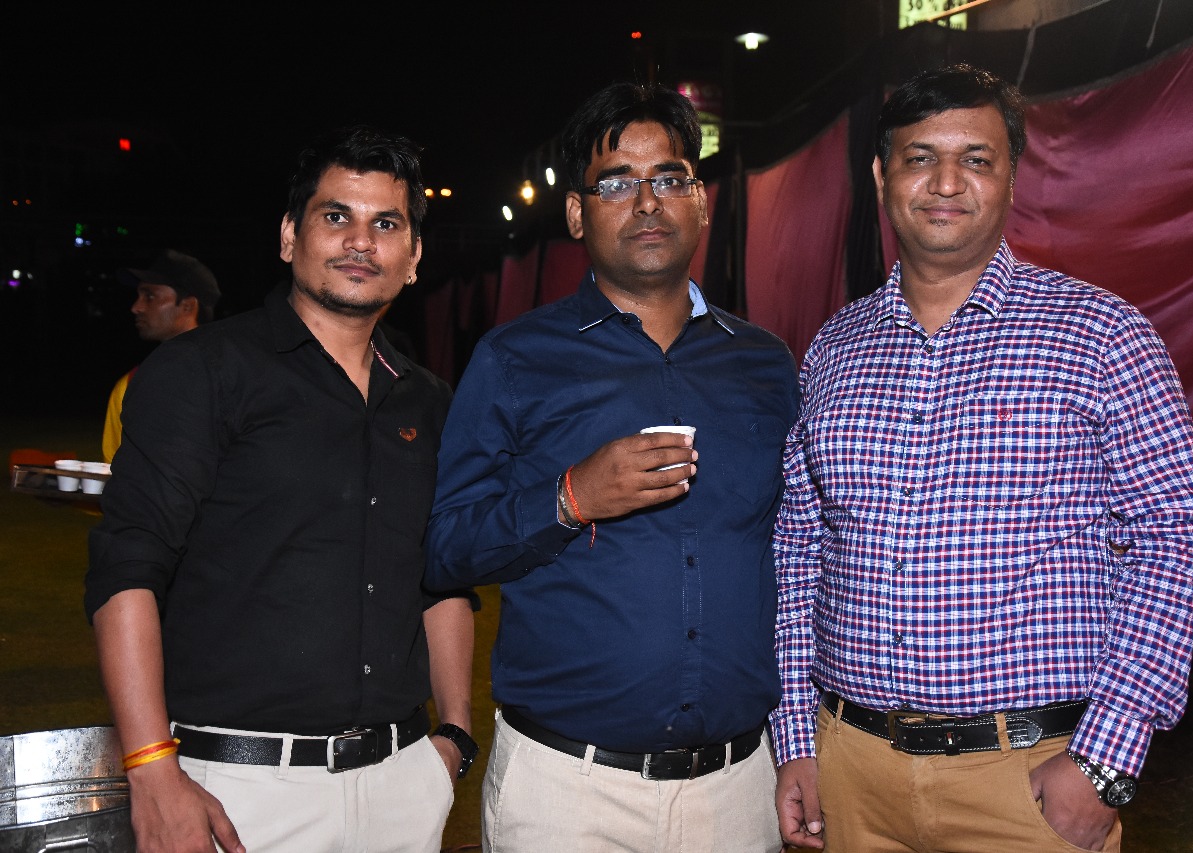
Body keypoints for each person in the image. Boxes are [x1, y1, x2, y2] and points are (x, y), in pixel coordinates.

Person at [770, 63, 1193, 853]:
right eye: (920, 157)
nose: (946, 182)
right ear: (881, 176)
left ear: (1012, 177)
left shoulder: (1100, 336)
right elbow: (797, 548)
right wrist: (795, 740)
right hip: (851, 773)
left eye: (976, 159)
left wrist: (1106, 762)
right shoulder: (834, 347)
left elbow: (1178, 539)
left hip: (1028, 783)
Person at [426, 82, 799, 853]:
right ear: (575, 213)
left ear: (701, 200)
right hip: (567, 792)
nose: (648, 202)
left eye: (669, 178)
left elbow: (800, 548)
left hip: (737, 787)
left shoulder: (765, 364)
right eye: (617, 183)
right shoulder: (515, 358)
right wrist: (570, 497)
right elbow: (446, 547)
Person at [85, 125, 477, 853]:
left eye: (386, 224)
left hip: (403, 784)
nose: (360, 241)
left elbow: (444, 575)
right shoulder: (203, 371)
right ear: (290, 235)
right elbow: (126, 565)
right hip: (239, 794)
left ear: (414, 256)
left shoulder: (430, 402)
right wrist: (151, 767)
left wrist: (453, 735)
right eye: (336, 216)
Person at [102, 249, 220, 462]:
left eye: (150, 296)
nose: (136, 307)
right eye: (138, 296)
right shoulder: (129, 385)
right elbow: (115, 470)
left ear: (188, 305)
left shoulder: (235, 379)